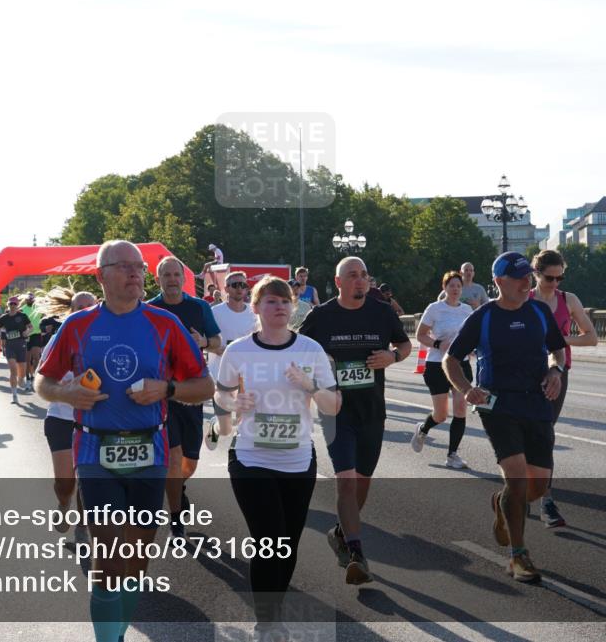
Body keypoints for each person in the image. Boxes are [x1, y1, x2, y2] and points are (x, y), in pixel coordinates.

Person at [35, 240, 212, 642]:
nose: (136, 273)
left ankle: (114, 628)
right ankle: (109, 639)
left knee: (136, 561)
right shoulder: (77, 325)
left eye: (139, 267)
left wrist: (165, 389)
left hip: (150, 452)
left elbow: (204, 386)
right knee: (108, 555)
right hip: (96, 451)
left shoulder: (165, 325)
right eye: (124, 266)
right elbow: (43, 381)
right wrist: (67, 394)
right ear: (101, 275)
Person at [212, 276, 341, 641]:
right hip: (251, 457)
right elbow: (220, 395)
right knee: (269, 539)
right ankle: (267, 622)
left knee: (286, 546)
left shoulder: (310, 349)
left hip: (297, 460)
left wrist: (310, 386)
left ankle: (274, 610)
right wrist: (234, 403)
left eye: (285, 301)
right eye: (270, 301)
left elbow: (334, 405)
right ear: (256, 308)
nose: (280, 307)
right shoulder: (238, 350)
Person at [443, 252, 567, 583]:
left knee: (537, 486)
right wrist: (467, 388)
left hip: (537, 403)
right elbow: (451, 360)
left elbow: (558, 348)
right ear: (499, 282)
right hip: (497, 404)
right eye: (519, 278)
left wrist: (556, 369)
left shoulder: (540, 311)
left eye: (529, 276)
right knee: (516, 476)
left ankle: (502, 502)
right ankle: (518, 555)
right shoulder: (483, 317)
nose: (528, 282)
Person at [299, 257, 412, 585]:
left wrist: (393, 356)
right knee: (346, 480)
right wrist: (320, 365)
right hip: (337, 412)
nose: (361, 281)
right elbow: (301, 350)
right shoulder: (320, 317)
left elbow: (403, 344)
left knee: (362, 481)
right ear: (339, 282)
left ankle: (340, 532)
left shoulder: (381, 312)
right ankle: (356, 552)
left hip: (372, 410)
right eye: (353, 276)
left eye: (364, 275)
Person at [147, 256, 222, 537]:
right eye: (165, 275)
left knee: (189, 461)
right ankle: (176, 517)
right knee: (173, 457)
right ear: (158, 280)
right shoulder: (149, 309)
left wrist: (202, 341)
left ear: (183, 277)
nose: (172, 279)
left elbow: (217, 343)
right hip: (162, 392)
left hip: (192, 390)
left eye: (176, 274)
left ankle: (178, 489)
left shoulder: (199, 307)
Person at [530, 249, 598, 528]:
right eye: (549, 278)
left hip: (558, 372)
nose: (555, 283)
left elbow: (591, 337)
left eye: (560, 277)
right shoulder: (525, 299)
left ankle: (546, 502)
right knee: (525, 435)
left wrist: (562, 340)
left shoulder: (568, 300)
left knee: (545, 434)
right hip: (526, 374)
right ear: (536, 274)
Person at [37, 287, 98, 536]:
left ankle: (83, 524)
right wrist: (67, 387)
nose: (84, 313)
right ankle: (64, 504)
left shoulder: (107, 338)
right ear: (70, 313)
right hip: (62, 418)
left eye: (89, 308)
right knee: (65, 483)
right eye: (78, 308)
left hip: (94, 420)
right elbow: (44, 380)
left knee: (88, 478)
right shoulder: (58, 340)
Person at [412, 271, 473, 468]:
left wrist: (472, 348)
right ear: (444, 288)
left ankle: (452, 455)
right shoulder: (435, 309)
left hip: (460, 364)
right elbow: (420, 335)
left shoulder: (467, 310)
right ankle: (423, 428)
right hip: (436, 365)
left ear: (462, 289)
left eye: (458, 286)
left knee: (461, 408)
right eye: (451, 285)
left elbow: (473, 335)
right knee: (441, 415)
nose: (455, 289)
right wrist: (439, 344)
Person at [209, 271, 257, 381]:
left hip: (246, 375)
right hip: (220, 373)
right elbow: (204, 341)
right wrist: (215, 349)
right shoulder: (214, 312)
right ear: (226, 289)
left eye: (243, 285)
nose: (239, 288)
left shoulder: (254, 312)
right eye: (235, 285)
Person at [0, 296, 32, 404]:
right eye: (11, 304)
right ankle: (14, 395)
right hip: (10, 345)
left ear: (17, 305)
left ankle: (21, 379)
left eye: (14, 304)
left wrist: (27, 332)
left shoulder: (23, 316)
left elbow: (31, 327)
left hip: (21, 345)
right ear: (8, 305)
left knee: (22, 373)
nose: (12, 306)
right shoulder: (4, 317)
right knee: (13, 370)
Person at [21, 292, 44, 392]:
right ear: (26, 300)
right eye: (29, 299)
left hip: (36, 334)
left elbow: (45, 316)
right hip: (26, 335)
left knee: (37, 358)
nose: (30, 300)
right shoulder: (22, 309)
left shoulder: (39, 308)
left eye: (32, 299)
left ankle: (35, 377)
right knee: (27, 359)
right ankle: (28, 378)